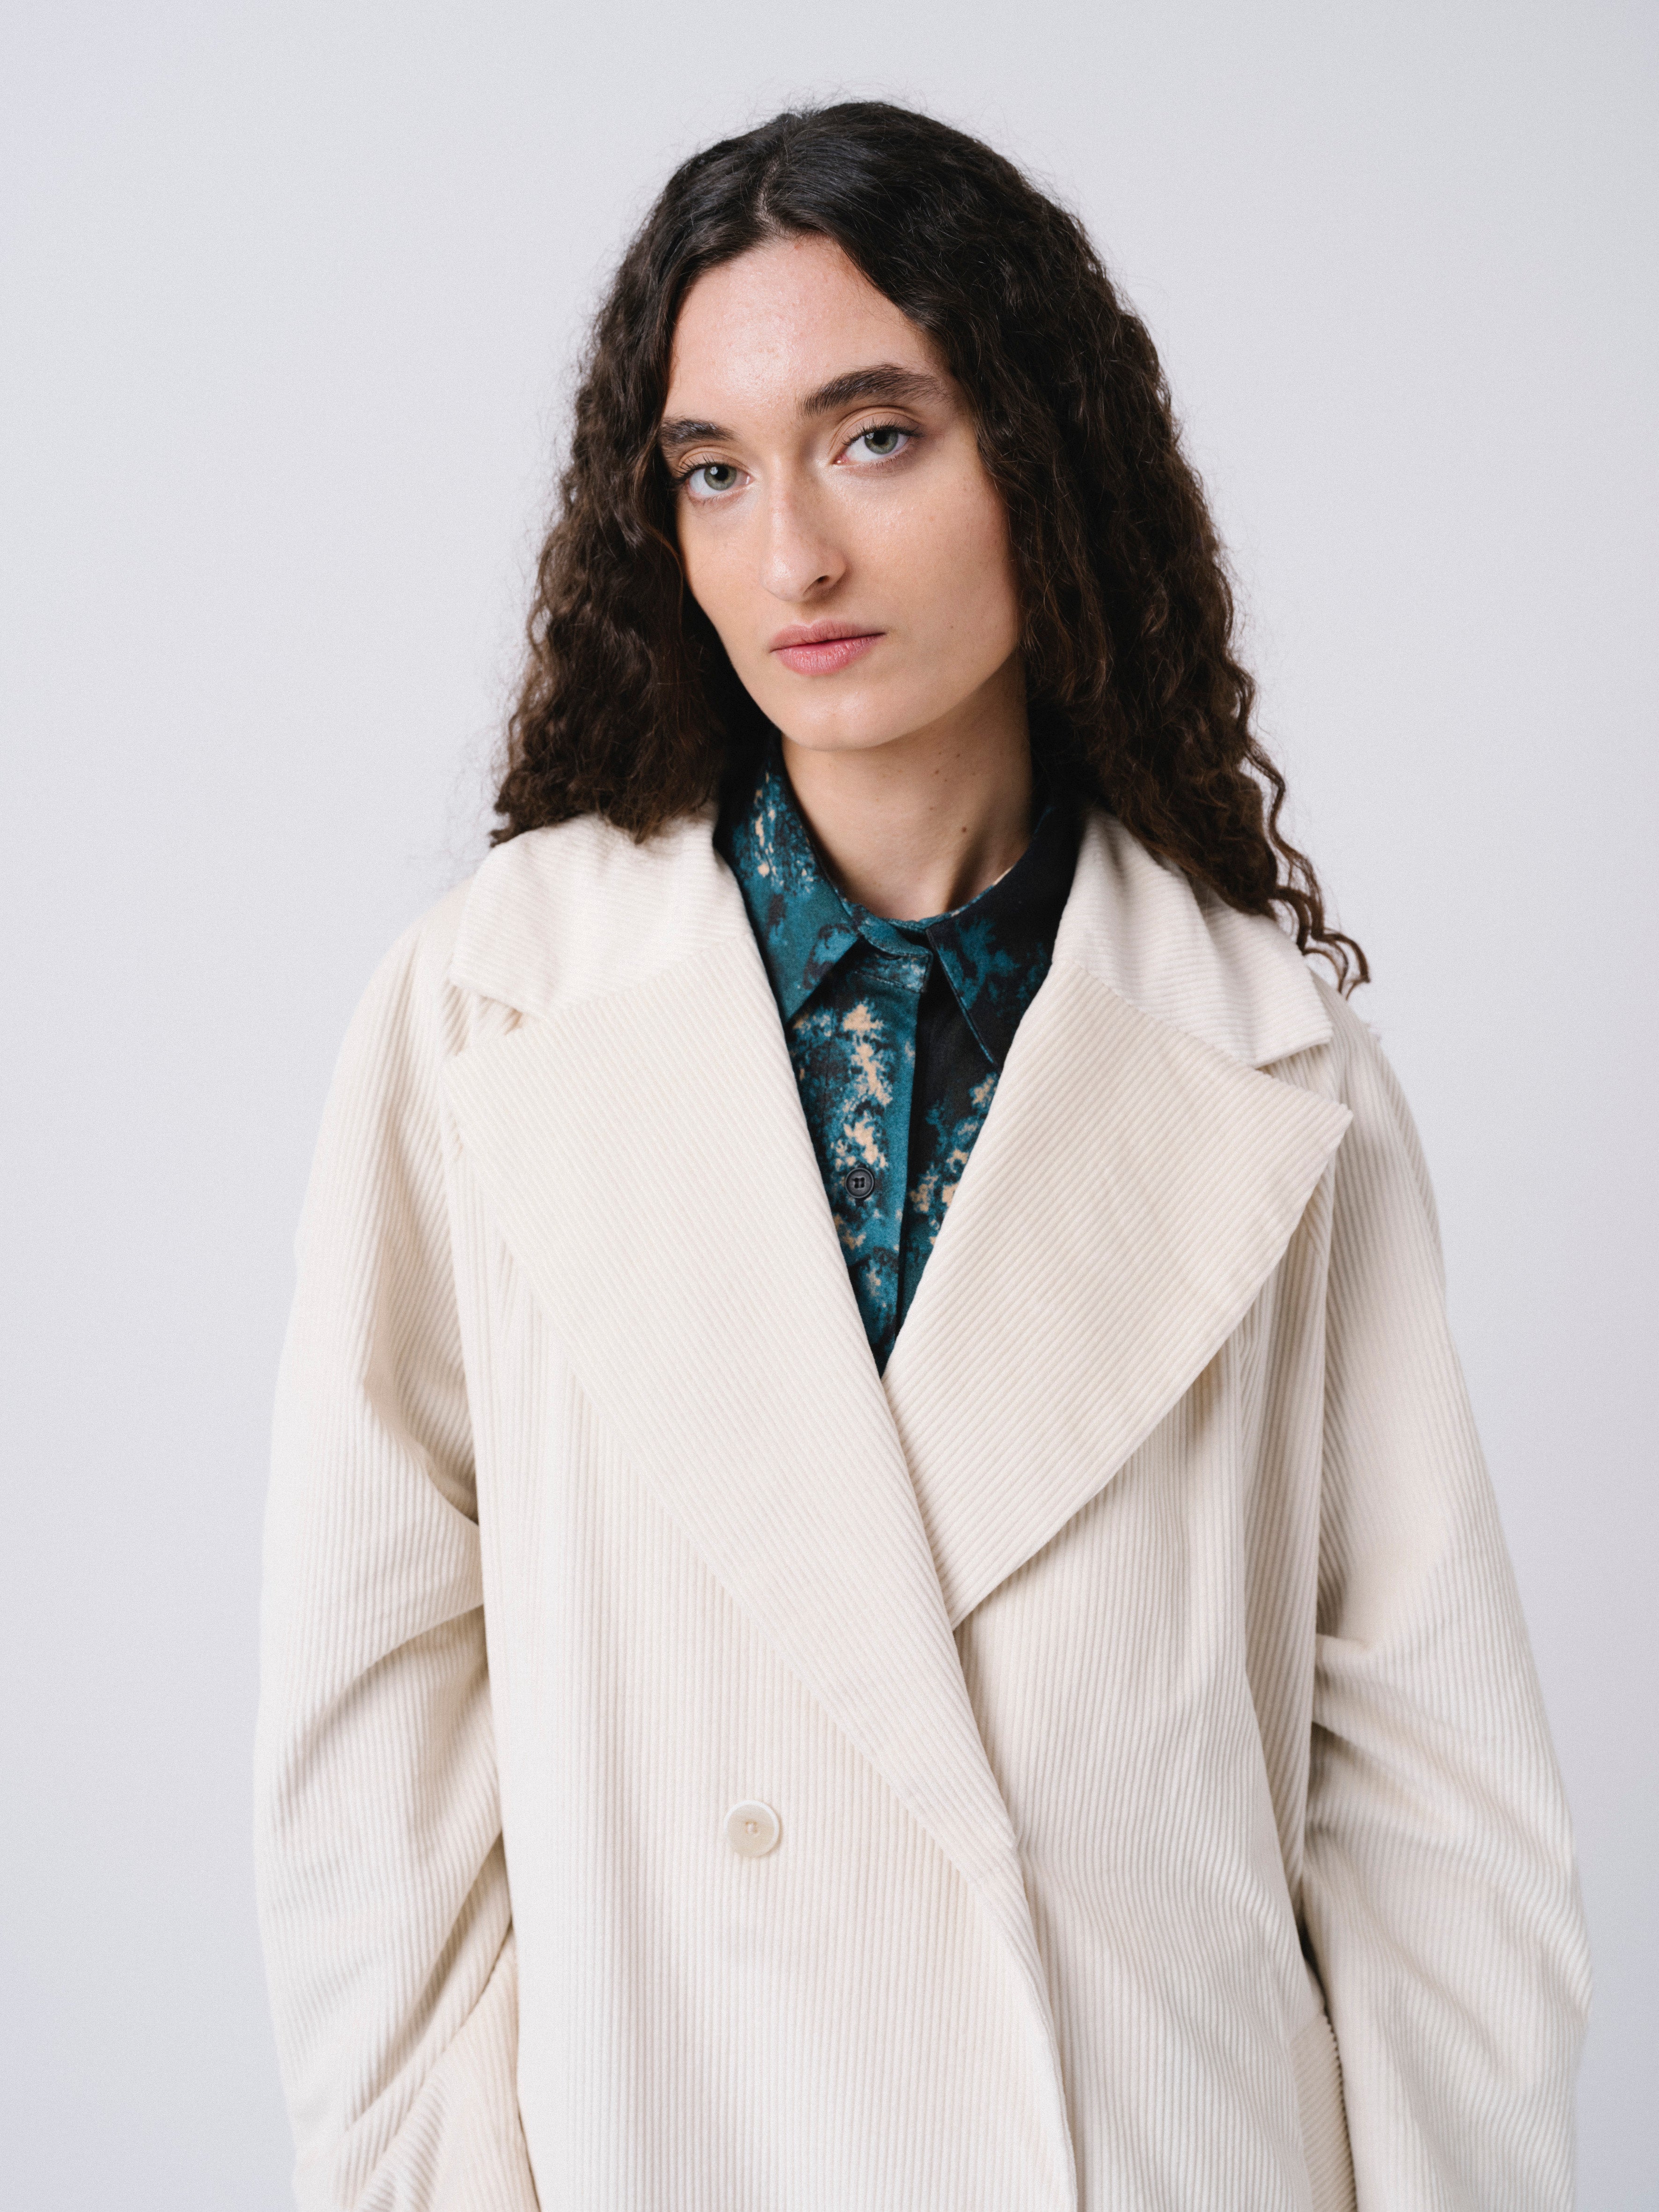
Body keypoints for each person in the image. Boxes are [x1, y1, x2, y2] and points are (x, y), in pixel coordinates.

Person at [254, 102, 1589, 2212]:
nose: (791, 554)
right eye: (714, 470)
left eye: (874, 438)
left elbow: (1442, 1817)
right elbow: (368, 1750)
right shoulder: (485, 1015)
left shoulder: (1278, 1065)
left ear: (1038, 459)